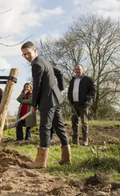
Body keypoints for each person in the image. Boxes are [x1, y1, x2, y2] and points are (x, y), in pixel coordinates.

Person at [21, 41, 71, 169]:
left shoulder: (36, 65)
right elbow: (59, 73)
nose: (26, 56)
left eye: (28, 53)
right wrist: (60, 89)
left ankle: (41, 162)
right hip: (56, 100)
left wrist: (33, 104)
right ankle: (66, 158)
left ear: (35, 51)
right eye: (24, 55)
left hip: (47, 101)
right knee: (59, 127)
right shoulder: (44, 61)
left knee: (45, 128)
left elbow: (36, 86)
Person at [68, 64, 95, 146]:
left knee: (84, 123)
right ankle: (75, 141)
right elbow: (69, 91)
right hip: (74, 104)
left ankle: (85, 140)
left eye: (79, 69)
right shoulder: (72, 80)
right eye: (76, 69)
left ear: (82, 70)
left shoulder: (88, 79)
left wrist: (86, 99)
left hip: (83, 105)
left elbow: (93, 91)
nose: (77, 71)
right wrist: (70, 100)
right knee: (74, 122)